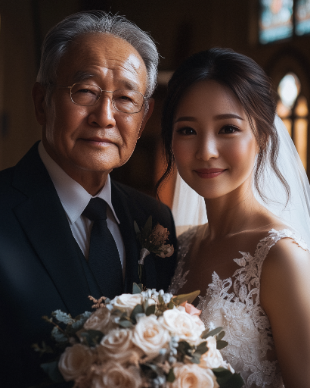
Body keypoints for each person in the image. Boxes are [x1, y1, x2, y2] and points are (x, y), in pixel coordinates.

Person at [0, 11, 177, 387]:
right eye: (86, 91)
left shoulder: (156, 219)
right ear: (42, 102)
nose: (105, 116)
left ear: (143, 119)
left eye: (126, 98)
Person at [160, 48, 310, 387]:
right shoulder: (178, 245)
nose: (206, 151)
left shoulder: (281, 257)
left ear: (262, 137)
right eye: (187, 130)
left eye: (227, 128)